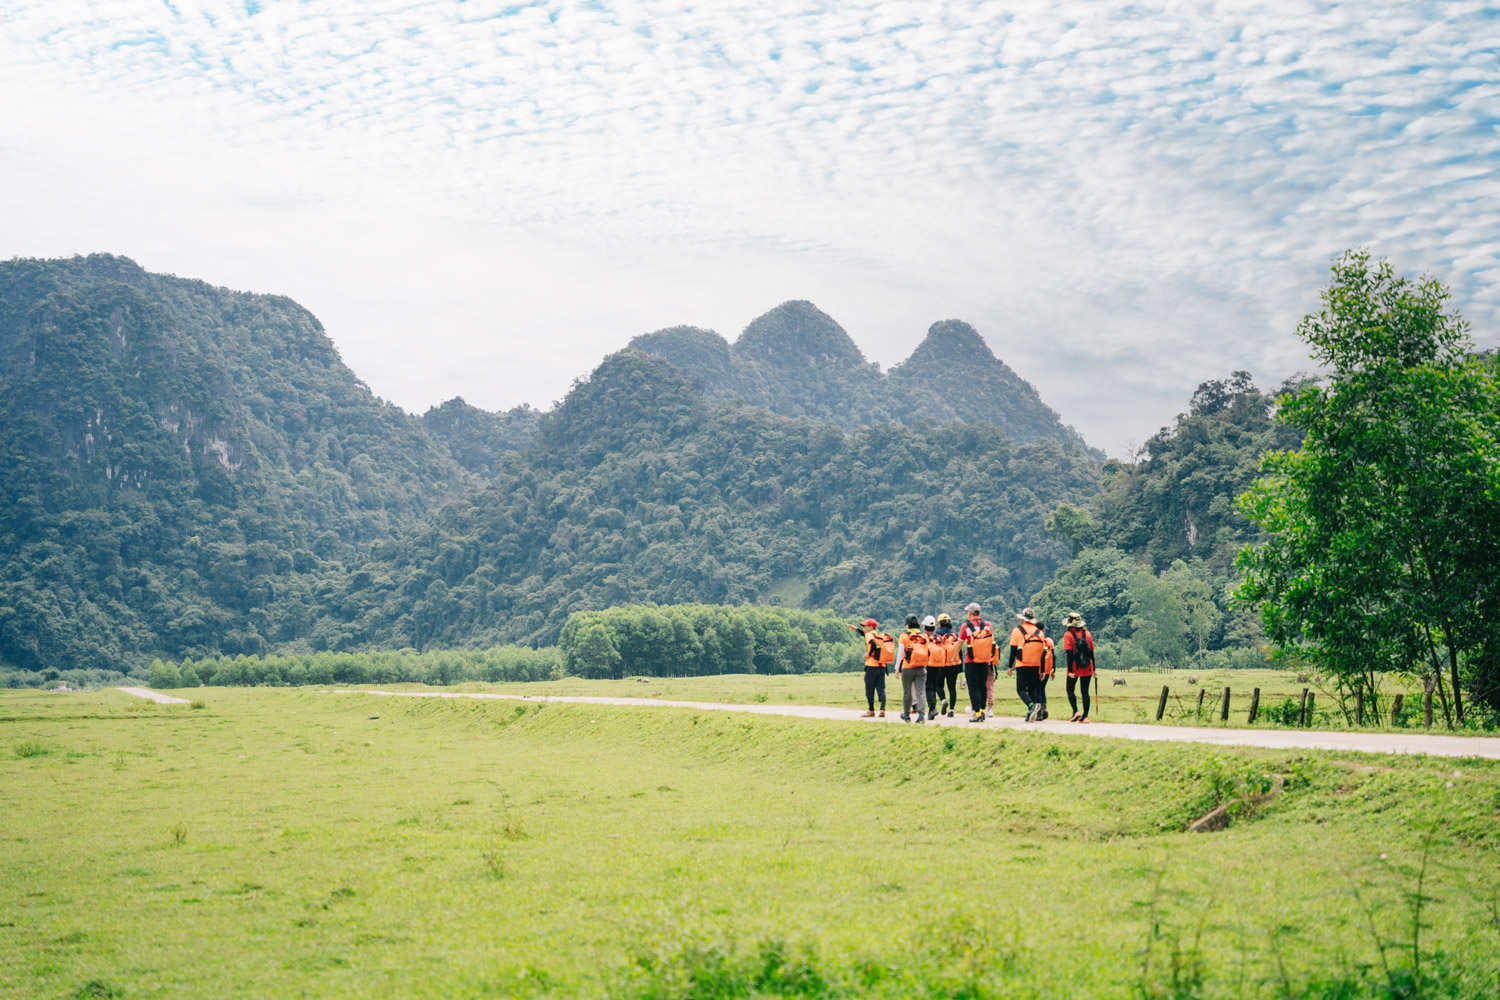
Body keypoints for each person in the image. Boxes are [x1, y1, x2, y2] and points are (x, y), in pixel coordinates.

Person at [1008, 608, 1051, 721]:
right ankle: (1035, 714)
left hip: (1022, 665)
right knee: (1033, 689)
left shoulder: (1017, 631)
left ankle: (1031, 706)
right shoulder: (1039, 633)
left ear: (1023, 619)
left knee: (1021, 689)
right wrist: (1042, 670)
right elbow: (1042, 653)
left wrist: (1009, 666)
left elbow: (1013, 650)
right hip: (1036, 665)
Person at [959, 603, 999, 722]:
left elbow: (960, 643)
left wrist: (953, 656)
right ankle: (982, 711)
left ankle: (976, 713)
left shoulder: (965, 625)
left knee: (973, 687)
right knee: (983, 686)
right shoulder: (987, 625)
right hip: (985, 661)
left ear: (970, 613)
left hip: (971, 660)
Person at [847, 618, 892, 717]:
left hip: (872, 666)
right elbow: (873, 642)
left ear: (871, 627)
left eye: (865, 626)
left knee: (869, 689)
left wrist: (869, 654)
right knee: (881, 688)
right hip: (882, 666)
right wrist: (857, 629)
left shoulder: (869, 635)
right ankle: (882, 709)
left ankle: (871, 710)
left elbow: (873, 644)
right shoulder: (879, 636)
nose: (863, 627)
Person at [893, 613, 929, 723]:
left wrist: (897, 668)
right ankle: (921, 716)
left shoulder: (904, 636)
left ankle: (907, 715)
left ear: (907, 625)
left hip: (908, 668)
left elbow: (900, 653)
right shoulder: (924, 636)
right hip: (922, 667)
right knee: (921, 692)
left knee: (907, 692)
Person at [1062, 612, 1096, 722]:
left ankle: (1075, 711)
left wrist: (1070, 671)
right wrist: (1094, 669)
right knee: (1085, 692)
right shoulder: (1088, 634)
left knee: (1070, 689)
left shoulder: (1068, 635)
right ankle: (1085, 716)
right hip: (1087, 667)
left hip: (1074, 667)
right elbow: (1091, 653)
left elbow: (1069, 654)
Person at [926, 613, 961, 718]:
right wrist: (960, 667)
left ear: (939, 623)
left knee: (938, 686)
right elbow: (959, 651)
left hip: (940, 664)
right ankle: (951, 710)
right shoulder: (955, 635)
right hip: (953, 665)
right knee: (952, 687)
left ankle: (943, 700)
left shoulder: (937, 634)